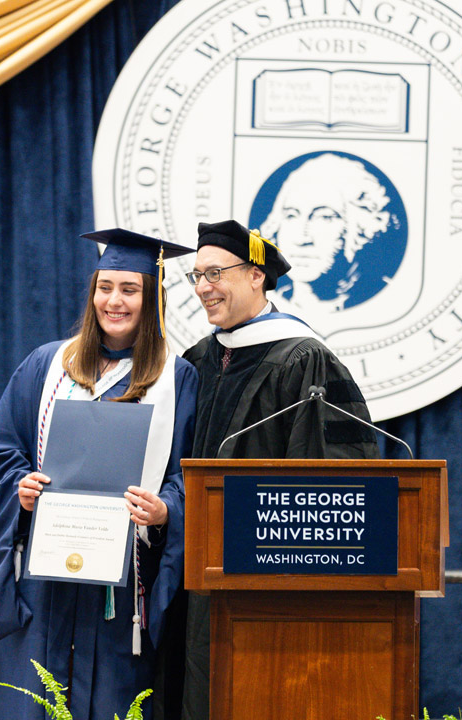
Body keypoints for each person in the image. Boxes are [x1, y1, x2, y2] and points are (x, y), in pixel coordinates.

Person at [0, 229, 198, 720]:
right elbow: (1, 452)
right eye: (105, 287)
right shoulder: (47, 364)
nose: (114, 301)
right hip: (44, 577)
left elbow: (187, 472)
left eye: (130, 289)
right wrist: (21, 490)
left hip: (122, 584)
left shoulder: (176, 378)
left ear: (152, 299)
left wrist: (165, 509)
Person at [179, 219, 378, 720]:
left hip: (266, 584)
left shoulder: (304, 359)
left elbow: (336, 487)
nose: (203, 287)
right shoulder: (198, 360)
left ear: (256, 276)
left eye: (215, 273)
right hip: (195, 574)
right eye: (197, 275)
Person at [259, 152, 404, 311]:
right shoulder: (260, 303)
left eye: (325, 217)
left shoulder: (393, 303)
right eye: (291, 215)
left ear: (362, 228)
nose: (301, 238)